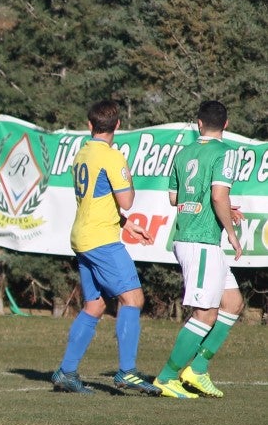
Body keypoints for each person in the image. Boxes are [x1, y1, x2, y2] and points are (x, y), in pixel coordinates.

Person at [51, 100, 160, 395]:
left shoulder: (82, 154)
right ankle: (127, 372)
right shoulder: (112, 157)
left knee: (95, 305)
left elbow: (96, 201)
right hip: (101, 240)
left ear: (90, 125)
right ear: (117, 126)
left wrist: (125, 225)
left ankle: (66, 371)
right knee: (134, 299)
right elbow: (126, 201)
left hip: (83, 237)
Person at [152, 100, 244, 399]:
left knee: (232, 303)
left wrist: (224, 210)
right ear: (226, 125)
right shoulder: (225, 152)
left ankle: (198, 369)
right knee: (205, 315)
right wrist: (230, 231)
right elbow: (219, 194)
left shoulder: (184, 152)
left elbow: (173, 197)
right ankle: (167, 376)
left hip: (193, 236)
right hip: (201, 240)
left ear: (199, 123)